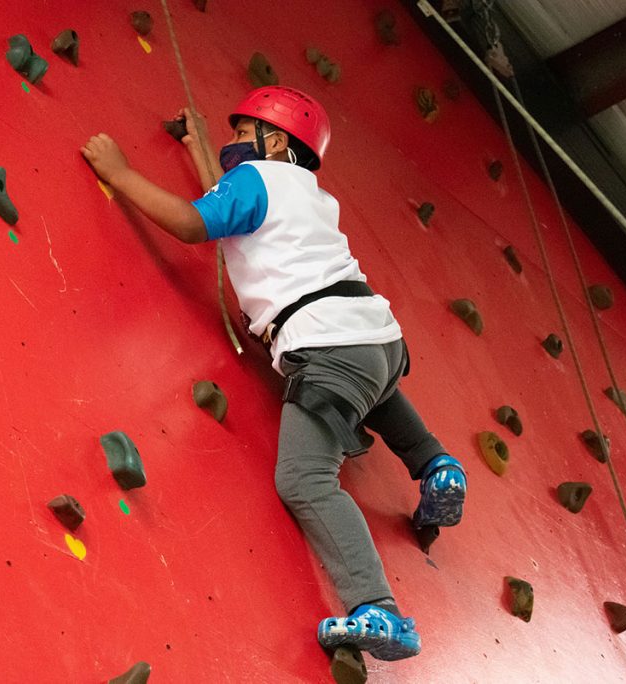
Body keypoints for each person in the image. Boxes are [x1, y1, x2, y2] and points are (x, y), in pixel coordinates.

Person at [81, 86, 467, 662]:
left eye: (242, 134)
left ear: (275, 140)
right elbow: (236, 209)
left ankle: (377, 608)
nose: (235, 145)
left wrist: (121, 171)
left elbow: (195, 222)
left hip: (328, 346)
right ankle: (436, 464)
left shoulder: (255, 183)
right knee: (371, 393)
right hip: (376, 338)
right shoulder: (306, 192)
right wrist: (203, 147)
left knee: (304, 479)